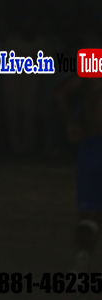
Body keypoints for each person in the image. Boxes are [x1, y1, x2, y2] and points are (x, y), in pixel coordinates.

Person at [55, 75, 102, 272]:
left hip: (93, 145)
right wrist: (71, 124)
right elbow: (61, 93)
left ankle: (82, 260)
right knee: (88, 212)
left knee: (88, 213)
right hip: (93, 144)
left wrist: (70, 124)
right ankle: (82, 259)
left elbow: (61, 92)